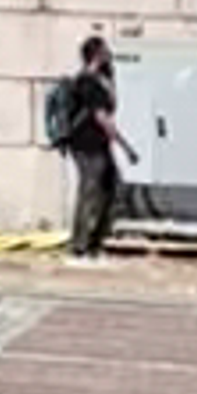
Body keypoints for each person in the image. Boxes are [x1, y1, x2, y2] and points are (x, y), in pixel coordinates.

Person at [49, 25, 126, 259]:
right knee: (90, 191)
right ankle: (80, 244)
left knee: (107, 190)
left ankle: (94, 242)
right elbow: (101, 117)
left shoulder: (101, 80)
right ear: (96, 56)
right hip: (86, 145)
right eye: (105, 52)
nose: (109, 56)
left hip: (99, 144)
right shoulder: (88, 82)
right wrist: (125, 146)